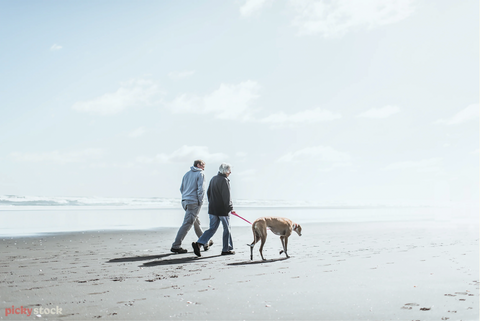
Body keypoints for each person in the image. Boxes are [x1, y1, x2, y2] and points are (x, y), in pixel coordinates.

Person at [192, 163, 235, 257]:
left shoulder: (213, 179)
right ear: (225, 171)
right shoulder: (224, 180)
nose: (230, 172)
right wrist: (230, 208)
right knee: (227, 229)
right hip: (223, 210)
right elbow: (226, 197)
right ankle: (226, 249)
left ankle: (199, 244)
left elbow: (208, 193)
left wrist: (212, 203)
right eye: (229, 170)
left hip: (212, 209)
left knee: (212, 228)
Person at [171, 160, 213, 254]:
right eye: (203, 165)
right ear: (198, 165)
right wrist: (200, 201)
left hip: (185, 201)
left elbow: (181, 188)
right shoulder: (200, 173)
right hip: (193, 202)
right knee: (187, 224)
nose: (204, 167)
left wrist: (185, 197)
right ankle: (176, 246)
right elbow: (201, 189)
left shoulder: (187, 174)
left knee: (196, 222)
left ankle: (205, 242)